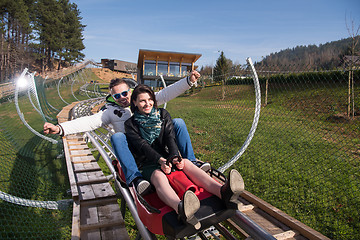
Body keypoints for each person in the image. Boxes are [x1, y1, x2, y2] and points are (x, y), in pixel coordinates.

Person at [43, 71, 202, 195]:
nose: (122, 98)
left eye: (124, 93)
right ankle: (135, 178)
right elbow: (89, 121)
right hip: (136, 151)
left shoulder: (142, 101)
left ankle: (192, 162)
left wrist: (188, 81)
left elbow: (165, 94)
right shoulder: (110, 112)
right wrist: (60, 128)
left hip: (155, 144)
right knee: (118, 136)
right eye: (117, 96)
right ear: (112, 97)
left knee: (178, 122)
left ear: (130, 91)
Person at [124, 84, 244, 229]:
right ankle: (180, 207)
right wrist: (160, 161)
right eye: (142, 101)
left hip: (167, 158)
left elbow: (170, 136)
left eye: (150, 99)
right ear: (135, 102)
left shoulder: (162, 114)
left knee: (187, 163)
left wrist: (175, 156)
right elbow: (142, 145)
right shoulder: (130, 124)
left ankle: (222, 192)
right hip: (149, 162)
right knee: (158, 177)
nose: (147, 103)